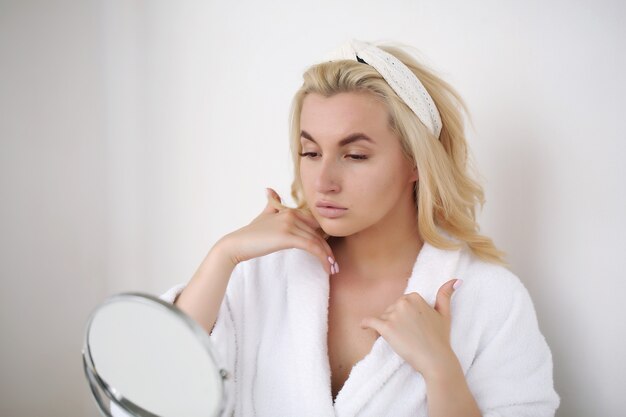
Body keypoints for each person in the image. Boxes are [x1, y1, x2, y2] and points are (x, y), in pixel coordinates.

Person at [160, 39, 560, 416]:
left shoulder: (490, 300)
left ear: (416, 162)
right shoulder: (263, 270)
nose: (323, 181)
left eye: (354, 155)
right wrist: (224, 254)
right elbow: (159, 389)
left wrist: (441, 370)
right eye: (311, 152)